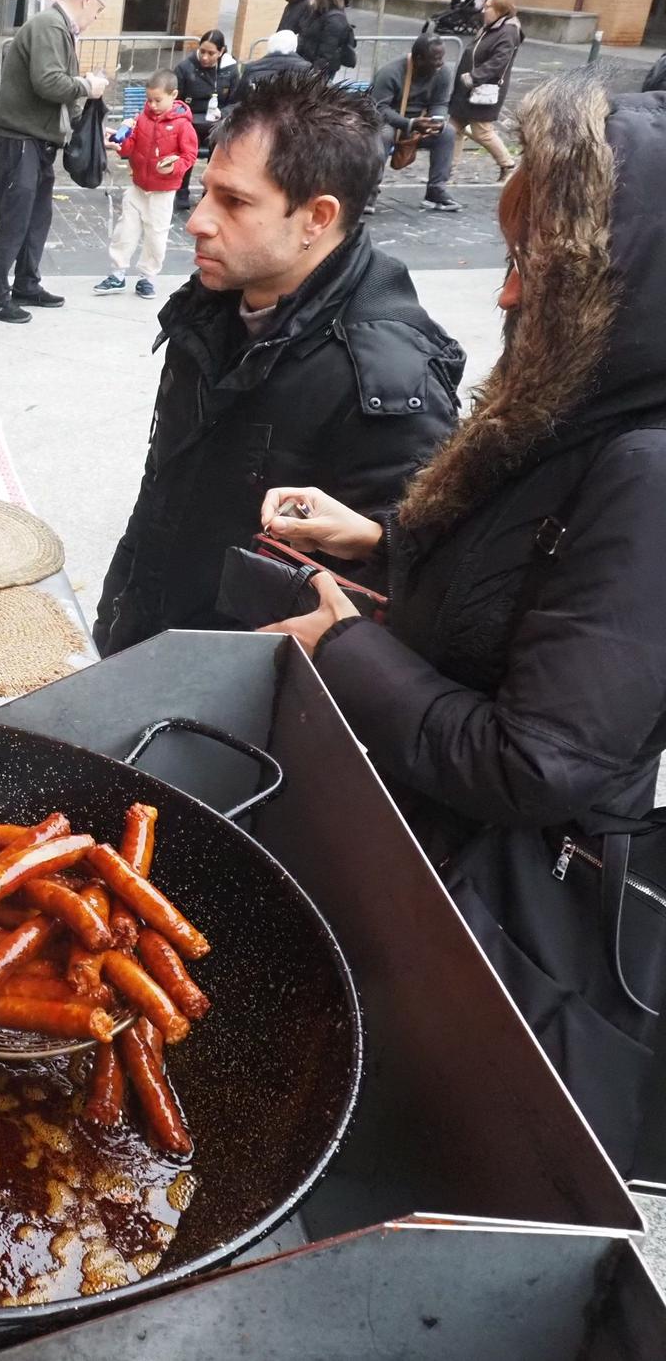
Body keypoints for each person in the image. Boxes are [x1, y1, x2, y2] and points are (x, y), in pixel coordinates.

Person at [256, 75, 666, 1170]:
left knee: (397, 1149)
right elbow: (518, 590)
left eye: (531, 265)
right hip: (424, 843)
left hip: (501, 917)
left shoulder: (646, 472)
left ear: (613, 289)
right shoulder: (578, 409)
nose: (502, 295)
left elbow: (540, 762)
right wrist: (378, 541)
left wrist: (339, 647)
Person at [93, 73, 464, 654]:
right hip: (147, 652)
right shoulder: (210, 306)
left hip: (248, 702)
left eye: (234, 201)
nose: (198, 220)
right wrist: (115, 622)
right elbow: (160, 492)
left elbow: (398, 593)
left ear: (317, 217)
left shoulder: (388, 380)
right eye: (206, 189)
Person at [0, 0, 111, 324]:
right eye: (99, 9)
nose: (97, 17)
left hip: (33, 138)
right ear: (88, 0)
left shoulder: (59, 28)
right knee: (15, 218)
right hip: (17, 137)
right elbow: (49, 83)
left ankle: (25, 283)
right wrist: (87, 86)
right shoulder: (50, 26)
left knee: (36, 217)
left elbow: (54, 86)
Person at [94, 69, 196, 300]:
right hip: (139, 185)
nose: (152, 105)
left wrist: (175, 167)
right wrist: (119, 144)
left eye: (158, 100)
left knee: (156, 234)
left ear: (174, 95)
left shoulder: (182, 125)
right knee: (125, 231)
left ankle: (148, 277)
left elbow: (189, 156)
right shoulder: (142, 118)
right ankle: (117, 273)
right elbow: (132, 147)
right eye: (149, 100)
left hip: (163, 190)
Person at [367, 34, 461, 213]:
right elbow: (378, 109)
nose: (440, 63)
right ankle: (368, 193)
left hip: (421, 123)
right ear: (419, 59)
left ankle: (436, 191)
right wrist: (409, 123)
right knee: (382, 135)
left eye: (442, 58)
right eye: (436, 59)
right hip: (390, 122)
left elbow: (440, 103)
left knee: (447, 133)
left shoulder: (442, 73)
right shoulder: (391, 72)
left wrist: (436, 121)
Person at [450, 0, 523, 180]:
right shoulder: (490, 27)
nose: (484, 10)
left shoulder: (508, 32)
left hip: (483, 89)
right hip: (467, 88)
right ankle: (447, 170)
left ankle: (508, 164)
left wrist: (475, 77)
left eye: (488, 7)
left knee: (482, 132)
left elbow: (499, 61)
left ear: (501, 11)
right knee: (454, 128)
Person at [171, 29, 240, 211]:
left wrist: (223, 113)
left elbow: (236, 101)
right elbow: (175, 100)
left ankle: (210, 192)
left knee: (219, 149)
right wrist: (185, 115)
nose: (205, 57)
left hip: (216, 123)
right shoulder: (185, 68)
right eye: (202, 51)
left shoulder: (230, 70)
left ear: (221, 51)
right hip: (190, 121)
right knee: (186, 147)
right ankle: (181, 191)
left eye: (211, 53)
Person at [296, 0, 356, 81]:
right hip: (306, 66)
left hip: (318, 73)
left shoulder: (335, 20)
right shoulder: (316, 13)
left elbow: (326, 54)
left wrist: (314, 74)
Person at [234, 29, 311, 99]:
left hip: (258, 111)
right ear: (294, 48)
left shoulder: (252, 69)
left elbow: (238, 99)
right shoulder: (308, 70)